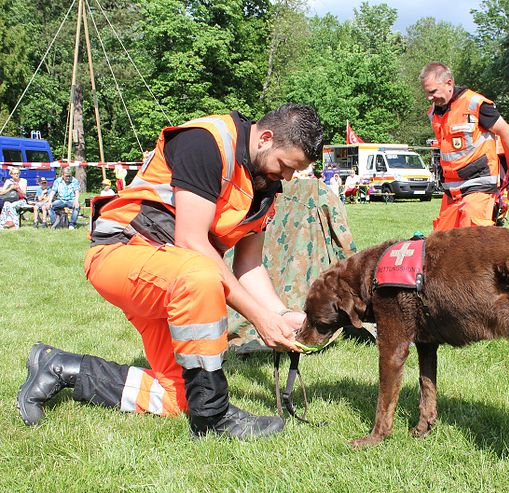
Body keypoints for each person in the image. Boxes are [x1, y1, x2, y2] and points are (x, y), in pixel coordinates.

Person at [17, 104, 324, 440]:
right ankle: (213, 418)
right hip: (122, 255)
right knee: (202, 274)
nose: (289, 177)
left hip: (174, 277)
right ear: (265, 138)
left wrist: (278, 315)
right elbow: (192, 241)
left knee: (179, 396)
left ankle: (63, 368)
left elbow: (249, 265)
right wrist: (257, 318)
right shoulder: (206, 141)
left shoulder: (265, 183)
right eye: (286, 165)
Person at [419, 62, 509, 230]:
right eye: (427, 93)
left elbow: (505, 131)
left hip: (479, 184)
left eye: (433, 91)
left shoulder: (475, 104)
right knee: (441, 245)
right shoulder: (434, 113)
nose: (429, 97)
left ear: (449, 83)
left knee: (471, 241)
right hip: (452, 190)